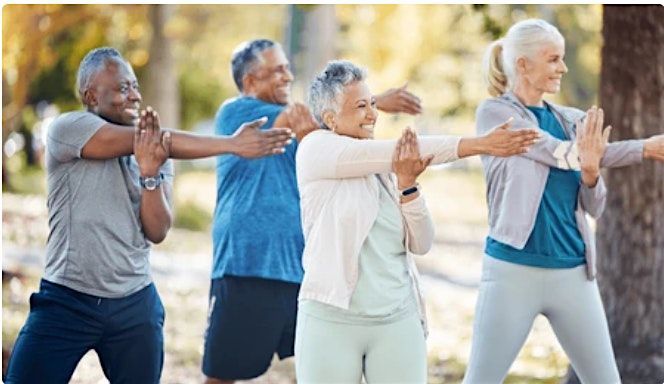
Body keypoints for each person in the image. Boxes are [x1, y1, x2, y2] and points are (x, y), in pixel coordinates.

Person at [4, 47, 293, 384]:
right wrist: (231, 144)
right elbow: (151, 140)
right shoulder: (69, 129)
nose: (134, 95)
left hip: (134, 304)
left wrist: (150, 173)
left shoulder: (158, 151)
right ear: (91, 95)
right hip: (68, 299)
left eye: (135, 86)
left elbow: (156, 230)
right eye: (122, 88)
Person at [202, 38, 445, 384]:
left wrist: (362, 105)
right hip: (248, 266)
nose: (287, 75)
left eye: (288, 67)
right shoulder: (237, 114)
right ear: (250, 82)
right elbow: (307, 118)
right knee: (223, 374)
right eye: (276, 70)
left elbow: (333, 127)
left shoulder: (318, 137)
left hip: (301, 267)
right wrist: (373, 102)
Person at [293, 60, 540, 383]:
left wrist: (408, 186)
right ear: (330, 119)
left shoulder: (384, 167)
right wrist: (478, 144)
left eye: (373, 104)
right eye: (361, 106)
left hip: (397, 319)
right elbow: (401, 151)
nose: (373, 114)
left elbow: (422, 243)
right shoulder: (315, 149)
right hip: (331, 320)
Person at [463, 19, 664, 383]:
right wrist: (643, 148)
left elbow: (594, 204)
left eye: (563, 59)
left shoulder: (572, 120)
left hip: (573, 273)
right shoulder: (495, 116)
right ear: (523, 64)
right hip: (513, 271)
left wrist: (591, 174)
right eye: (553, 59)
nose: (563, 67)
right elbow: (555, 152)